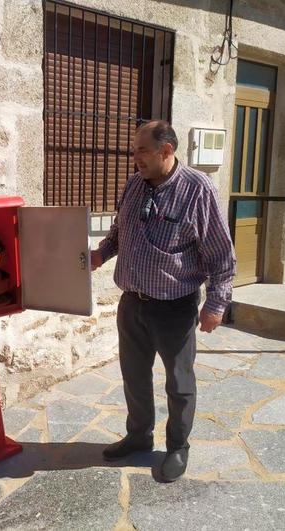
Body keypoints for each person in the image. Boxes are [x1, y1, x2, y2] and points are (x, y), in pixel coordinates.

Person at [91, 120, 236, 482]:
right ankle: (139, 436)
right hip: (132, 302)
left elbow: (221, 254)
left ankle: (177, 446)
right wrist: (101, 253)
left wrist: (217, 303)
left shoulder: (197, 190)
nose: (134, 157)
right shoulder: (134, 183)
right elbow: (119, 231)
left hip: (174, 306)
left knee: (179, 382)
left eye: (142, 150)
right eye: (135, 149)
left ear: (166, 151)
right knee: (134, 376)